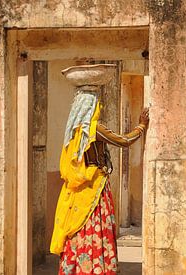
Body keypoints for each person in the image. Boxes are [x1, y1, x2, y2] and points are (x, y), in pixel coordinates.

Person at [50, 83, 149, 275]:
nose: (99, 109)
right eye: (97, 105)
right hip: (95, 189)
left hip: (78, 194)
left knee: (78, 230)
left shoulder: (73, 133)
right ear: (90, 107)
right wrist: (141, 125)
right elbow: (124, 141)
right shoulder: (94, 129)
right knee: (96, 228)